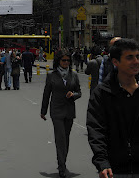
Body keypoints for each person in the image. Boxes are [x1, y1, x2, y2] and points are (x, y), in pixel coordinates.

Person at [87, 38, 139, 178]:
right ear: (115, 62)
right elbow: (96, 130)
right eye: (129, 57)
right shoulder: (102, 94)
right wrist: (102, 162)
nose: (136, 61)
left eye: (137, 56)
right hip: (116, 170)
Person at [41, 50, 81, 178]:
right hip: (56, 111)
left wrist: (73, 95)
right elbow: (46, 94)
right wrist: (43, 111)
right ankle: (62, 167)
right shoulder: (51, 75)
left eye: (68, 61)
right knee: (60, 139)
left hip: (69, 111)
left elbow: (79, 92)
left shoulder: (74, 75)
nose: (66, 63)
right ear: (58, 61)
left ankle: (62, 162)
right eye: (63, 60)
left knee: (66, 139)